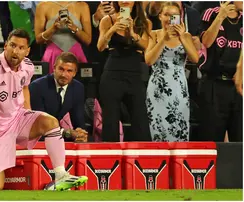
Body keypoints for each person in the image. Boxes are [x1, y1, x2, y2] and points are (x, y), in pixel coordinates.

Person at [0, 29, 88, 191]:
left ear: (27, 51)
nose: (16, 51)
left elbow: (25, 87)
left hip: (17, 120)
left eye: (21, 48)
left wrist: (27, 111)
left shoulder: (27, 66)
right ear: (5, 46)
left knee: (50, 122)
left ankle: (60, 175)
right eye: (12, 45)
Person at [97, 1, 152, 142]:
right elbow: (100, 47)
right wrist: (112, 29)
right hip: (112, 72)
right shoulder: (107, 20)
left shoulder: (144, 22)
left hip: (134, 73)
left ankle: (140, 158)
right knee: (110, 119)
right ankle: (110, 158)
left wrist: (132, 33)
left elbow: (147, 46)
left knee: (140, 118)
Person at [145, 2, 199, 142]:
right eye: (167, 15)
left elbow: (195, 59)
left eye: (174, 16)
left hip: (178, 87)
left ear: (180, 18)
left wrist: (182, 38)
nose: (170, 19)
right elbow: (149, 61)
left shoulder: (186, 36)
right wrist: (164, 40)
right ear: (160, 16)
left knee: (180, 127)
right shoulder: (154, 34)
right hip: (157, 89)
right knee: (158, 129)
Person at [196, 1, 243, 142]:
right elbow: (206, 42)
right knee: (212, 137)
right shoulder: (211, 13)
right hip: (214, 84)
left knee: (240, 138)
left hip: (238, 87)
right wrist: (220, 17)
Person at [29, 52, 88, 142]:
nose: (64, 74)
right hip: (35, 135)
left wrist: (80, 133)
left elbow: (78, 120)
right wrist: (66, 133)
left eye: (69, 71)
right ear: (54, 68)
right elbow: (40, 123)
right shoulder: (37, 87)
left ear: (75, 73)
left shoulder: (78, 88)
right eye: (61, 69)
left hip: (56, 135)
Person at [34, 1, 92, 73]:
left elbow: (88, 40)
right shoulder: (42, 5)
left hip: (76, 55)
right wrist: (53, 28)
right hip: (52, 55)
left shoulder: (82, 6)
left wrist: (75, 29)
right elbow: (38, 39)